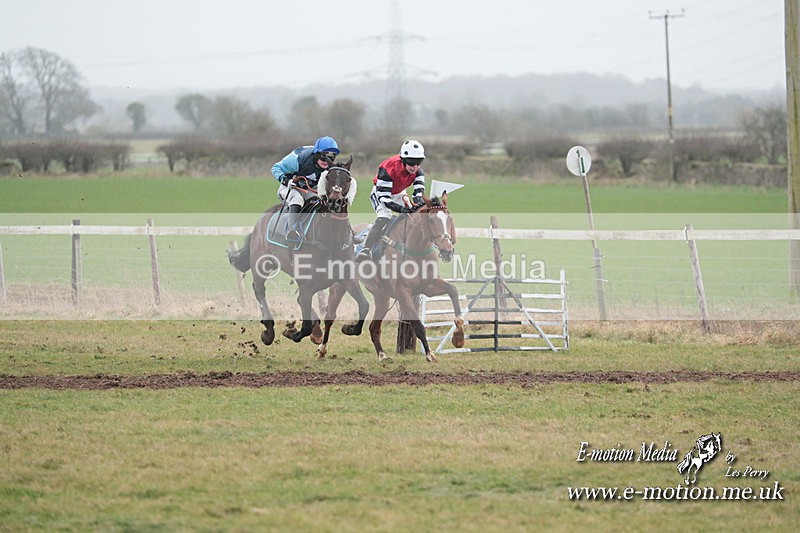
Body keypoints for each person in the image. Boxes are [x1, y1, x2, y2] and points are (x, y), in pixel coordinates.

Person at [357, 139, 426, 260]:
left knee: (415, 216)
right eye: (411, 162)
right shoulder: (388, 169)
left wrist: (419, 204)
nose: (415, 166)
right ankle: (366, 250)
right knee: (384, 217)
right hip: (381, 194)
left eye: (418, 162)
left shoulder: (418, 171)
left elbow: (418, 194)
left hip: (399, 193)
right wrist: (401, 209)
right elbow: (386, 199)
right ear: (403, 160)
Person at [272, 136, 340, 241]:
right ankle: (292, 231)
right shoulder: (298, 159)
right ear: (316, 154)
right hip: (289, 187)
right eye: (323, 156)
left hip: (309, 189)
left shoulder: (330, 167)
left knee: (320, 202)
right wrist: (286, 181)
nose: (327, 161)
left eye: (331, 157)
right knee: (297, 199)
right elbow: (276, 168)